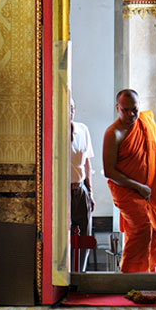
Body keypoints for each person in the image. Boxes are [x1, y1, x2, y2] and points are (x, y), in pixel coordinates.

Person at [102, 88, 156, 273]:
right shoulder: (113, 133)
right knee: (142, 228)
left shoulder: (145, 123)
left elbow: (152, 158)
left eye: (135, 110)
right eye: (125, 110)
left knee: (155, 229)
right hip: (126, 190)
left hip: (147, 189)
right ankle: (131, 275)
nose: (131, 114)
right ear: (117, 108)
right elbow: (109, 171)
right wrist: (138, 187)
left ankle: (147, 271)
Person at [70, 97, 95, 271]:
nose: (70, 111)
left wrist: (90, 192)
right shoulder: (54, 131)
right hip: (61, 192)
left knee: (85, 235)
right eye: (66, 108)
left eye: (72, 107)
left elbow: (87, 163)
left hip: (80, 189)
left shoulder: (82, 129)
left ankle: (80, 273)